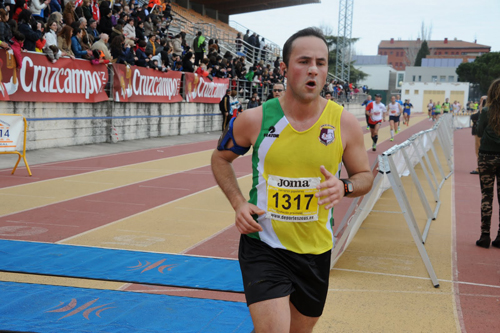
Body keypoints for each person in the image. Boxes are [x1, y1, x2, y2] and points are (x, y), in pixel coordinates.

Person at [211, 27, 373, 332]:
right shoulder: (255, 119)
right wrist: (238, 204)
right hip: (264, 244)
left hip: (316, 250)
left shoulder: (344, 123)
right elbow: (220, 158)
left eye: (321, 63)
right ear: (284, 68)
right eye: (304, 61)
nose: (313, 69)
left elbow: (364, 176)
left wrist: (344, 186)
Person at [476, 83, 500, 249]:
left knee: (487, 196)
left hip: (486, 157)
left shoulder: (486, 111)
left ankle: (485, 236)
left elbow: (478, 131)